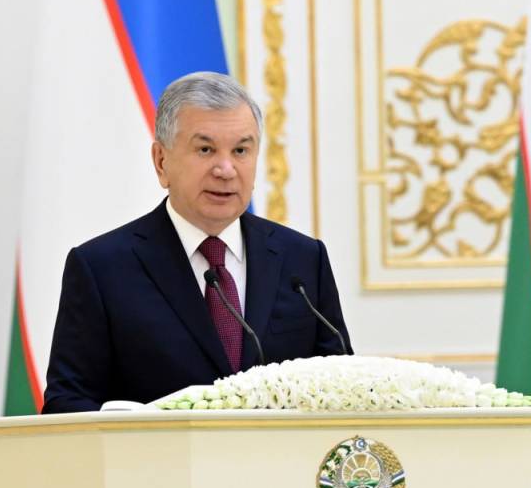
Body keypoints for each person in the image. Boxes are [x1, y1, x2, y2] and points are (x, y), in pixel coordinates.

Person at [42, 71, 352, 414]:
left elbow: (342, 389)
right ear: (161, 162)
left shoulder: (303, 261)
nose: (226, 169)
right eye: (205, 149)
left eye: (241, 150)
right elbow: (66, 405)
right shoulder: (102, 269)